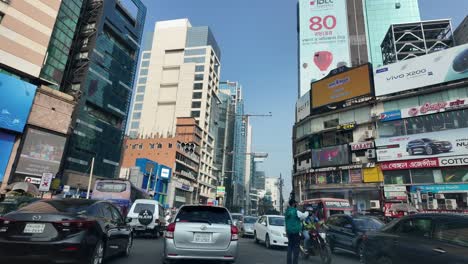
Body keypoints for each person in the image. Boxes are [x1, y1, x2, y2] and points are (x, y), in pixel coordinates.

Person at [285, 197, 308, 264]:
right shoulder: (296, 211)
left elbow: (286, 222)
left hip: (289, 232)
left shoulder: (287, 212)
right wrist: (307, 212)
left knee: (289, 247)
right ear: (293, 204)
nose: (296, 204)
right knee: (296, 248)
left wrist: (286, 231)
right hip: (295, 232)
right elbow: (304, 216)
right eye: (295, 203)